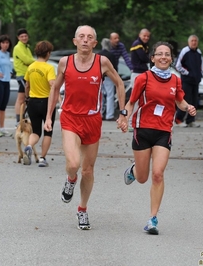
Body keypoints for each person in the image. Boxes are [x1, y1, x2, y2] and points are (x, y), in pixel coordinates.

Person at [44, 25, 128, 230]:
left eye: (89, 37)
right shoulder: (65, 62)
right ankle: (70, 179)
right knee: (73, 164)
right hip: (70, 118)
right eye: (81, 36)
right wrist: (49, 116)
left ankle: (82, 209)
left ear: (94, 43)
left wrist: (123, 112)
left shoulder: (102, 62)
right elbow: (55, 88)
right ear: (75, 41)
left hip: (92, 120)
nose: (84, 40)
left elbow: (119, 84)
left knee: (88, 170)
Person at [123, 41, 197, 235]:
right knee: (142, 178)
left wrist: (188, 107)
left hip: (164, 131)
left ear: (171, 59)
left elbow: (179, 101)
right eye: (160, 54)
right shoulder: (143, 78)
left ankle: (153, 219)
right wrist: (124, 117)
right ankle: (134, 169)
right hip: (142, 130)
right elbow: (131, 103)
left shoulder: (175, 80)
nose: (163, 57)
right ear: (153, 57)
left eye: (167, 54)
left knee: (157, 174)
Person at [22, 40, 56, 167]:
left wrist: (27, 98)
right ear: (47, 53)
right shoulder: (49, 68)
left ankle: (29, 146)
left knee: (36, 131)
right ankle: (42, 158)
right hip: (46, 102)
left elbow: (27, 85)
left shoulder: (31, 67)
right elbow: (52, 84)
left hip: (32, 102)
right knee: (48, 131)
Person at [175, 35, 203, 128]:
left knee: (194, 101)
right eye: (192, 41)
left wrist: (200, 74)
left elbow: (202, 65)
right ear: (189, 42)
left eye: (195, 41)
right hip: (186, 81)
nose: (194, 42)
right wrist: (188, 73)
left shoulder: (199, 52)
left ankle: (191, 120)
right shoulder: (185, 51)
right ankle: (178, 119)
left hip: (196, 81)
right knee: (185, 100)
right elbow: (178, 65)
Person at [128, 28, 151, 131]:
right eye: (144, 36)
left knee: (143, 99)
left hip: (142, 73)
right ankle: (129, 123)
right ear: (139, 35)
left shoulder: (144, 46)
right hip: (137, 74)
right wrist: (150, 57)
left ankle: (139, 121)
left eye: (147, 36)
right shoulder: (137, 44)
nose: (146, 38)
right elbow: (144, 58)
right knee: (134, 99)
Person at [13, 28, 35, 126]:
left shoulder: (26, 47)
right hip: (22, 75)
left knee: (21, 99)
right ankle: (19, 120)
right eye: (22, 36)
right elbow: (27, 60)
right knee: (25, 98)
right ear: (18, 38)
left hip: (27, 75)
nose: (24, 38)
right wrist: (38, 62)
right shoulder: (18, 47)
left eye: (25, 36)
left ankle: (21, 119)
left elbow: (29, 60)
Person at [98, 38, 118, 121]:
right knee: (110, 95)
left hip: (99, 77)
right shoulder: (111, 55)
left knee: (100, 95)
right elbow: (114, 68)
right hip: (109, 77)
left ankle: (100, 114)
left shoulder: (98, 55)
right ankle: (109, 115)